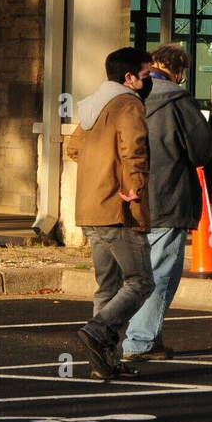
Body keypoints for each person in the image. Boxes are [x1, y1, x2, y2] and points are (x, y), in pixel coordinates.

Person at [121, 43, 212, 362]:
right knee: (160, 272)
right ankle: (140, 341)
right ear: (178, 71)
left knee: (133, 272)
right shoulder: (178, 99)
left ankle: (141, 336)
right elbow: (201, 151)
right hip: (167, 196)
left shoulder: (126, 95)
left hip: (127, 197)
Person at [68, 47, 155, 379]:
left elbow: (74, 148)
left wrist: (99, 167)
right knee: (140, 281)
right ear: (129, 78)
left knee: (107, 286)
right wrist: (134, 187)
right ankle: (98, 331)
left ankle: (104, 362)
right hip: (118, 209)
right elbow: (134, 149)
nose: (148, 82)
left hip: (90, 209)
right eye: (146, 76)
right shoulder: (128, 104)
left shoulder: (93, 105)